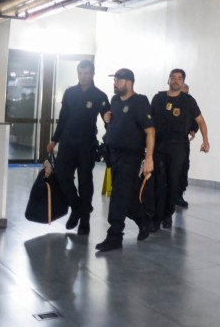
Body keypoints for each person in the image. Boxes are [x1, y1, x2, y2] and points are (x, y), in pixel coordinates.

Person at [47, 60, 109, 235]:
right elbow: (63, 117)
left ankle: (85, 221)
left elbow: (108, 119)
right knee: (61, 176)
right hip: (67, 141)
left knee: (85, 181)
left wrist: (109, 136)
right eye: (80, 73)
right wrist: (54, 140)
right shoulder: (70, 93)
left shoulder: (99, 95)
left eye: (87, 73)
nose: (83, 76)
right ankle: (77, 207)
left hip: (86, 144)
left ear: (92, 74)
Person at [95, 68, 155, 252]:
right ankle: (143, 220)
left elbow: (150, 131)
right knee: (126, 195)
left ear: (129, 82)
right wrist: (106, 119)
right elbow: (115, 123)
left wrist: (149, 158)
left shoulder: (140, 102)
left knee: (119, 195)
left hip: (131, 156)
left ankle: (115, 236)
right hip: (113, 155)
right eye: (114, 80)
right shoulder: (114, 101)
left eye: (118, 80)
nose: (115, 83)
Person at [150, 69, 209, 230]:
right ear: (168, 80)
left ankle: (168, 215)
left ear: (183, 82)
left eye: (179, 78)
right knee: (158, 181)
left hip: (178, 146)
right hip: (159, 145)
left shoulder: (188, 100)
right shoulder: (158, 98)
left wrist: (205, 141)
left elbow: (201, 121)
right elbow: (149, 122)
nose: (176, 81)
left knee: (173, 181)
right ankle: (156, 217)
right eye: (173, 78)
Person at [176, 83, 199, 208]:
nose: (185, 94)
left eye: (187, 92)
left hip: (183, 141)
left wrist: (193, 130)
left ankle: (179, 195)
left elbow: (196, 119)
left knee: (183, 167)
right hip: (167, 141)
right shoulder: (166, 100)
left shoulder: (190, 102)